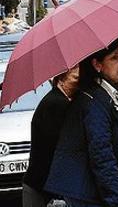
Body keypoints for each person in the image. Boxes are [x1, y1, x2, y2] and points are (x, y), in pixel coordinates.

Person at [44, 38, 118, 207]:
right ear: (97, 64)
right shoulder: (94, 100)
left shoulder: (98, 94)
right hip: (90, 195)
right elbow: (101, 155)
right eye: (115, 57)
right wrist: (115, 200)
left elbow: (97, 136)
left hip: (87, 192)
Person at [21, 67, 81, 207]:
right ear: (60, 80)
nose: (78, 84)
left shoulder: (59, 100)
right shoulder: (56, 103)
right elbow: (59, 142)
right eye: (75, 79)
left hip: (41, 180)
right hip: (42, 182)